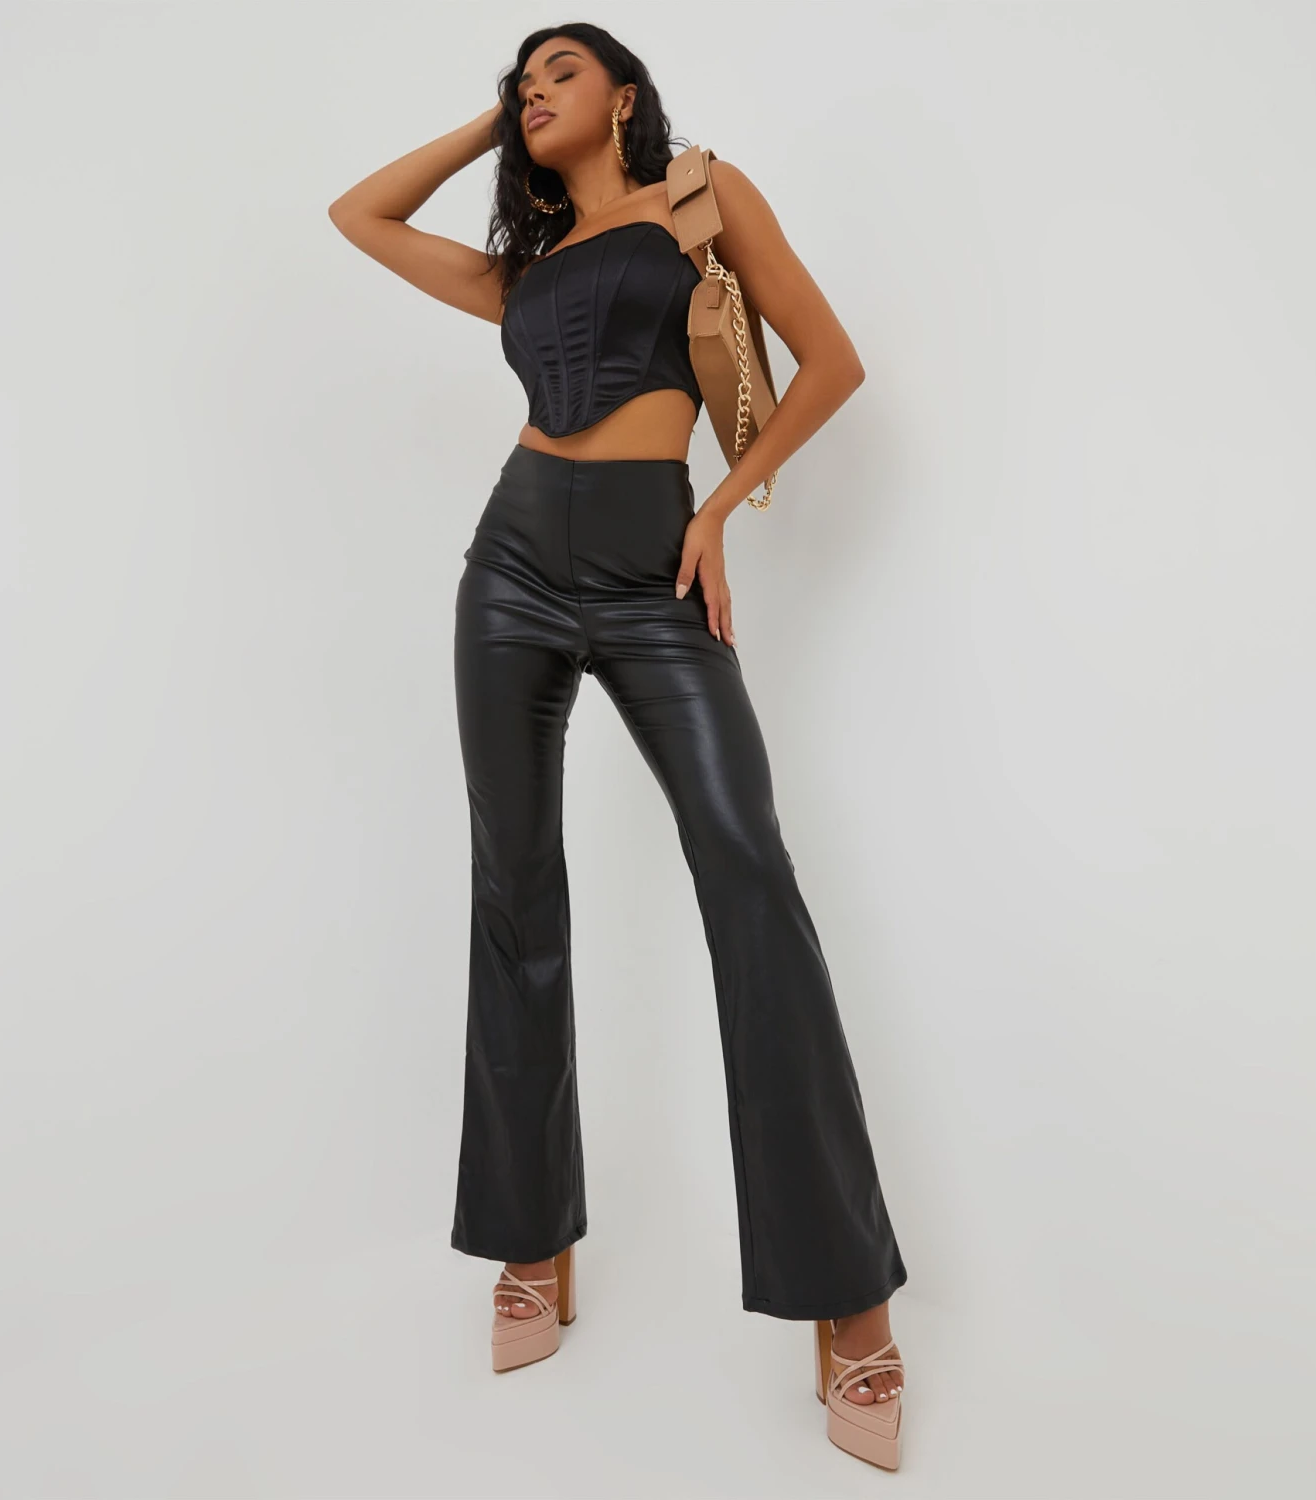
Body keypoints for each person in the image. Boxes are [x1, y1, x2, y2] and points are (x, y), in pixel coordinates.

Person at [329, 22, 909, 1470]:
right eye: (521, 81)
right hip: (512, 567)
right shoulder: (522, 271)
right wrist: (492, 127)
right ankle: (533, 1243)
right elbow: (359, 216)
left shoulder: (701, 199)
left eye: (560, 74)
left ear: (626, 94)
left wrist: (715, 511)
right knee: (516, 890)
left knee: (749, 877)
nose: (536, 92)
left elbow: (832, 364)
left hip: (656, 572)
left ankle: (847, 1297)